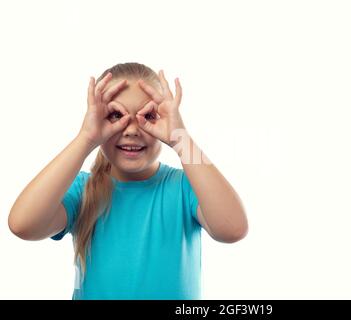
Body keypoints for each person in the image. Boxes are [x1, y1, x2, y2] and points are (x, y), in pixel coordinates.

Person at [8, 62, 248, 300]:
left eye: (149, 116)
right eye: (115, 115)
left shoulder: (186, 187)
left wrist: (181, 138)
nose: (132, 130)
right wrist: (85, 138)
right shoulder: (83, 189)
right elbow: (23, 225)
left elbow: (233, 229)